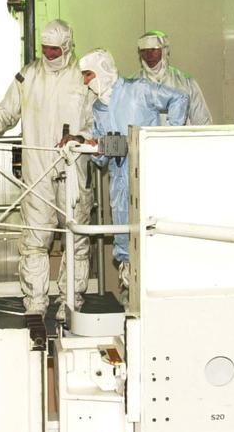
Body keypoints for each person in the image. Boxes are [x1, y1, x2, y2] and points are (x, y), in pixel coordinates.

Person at [0, 20, 94, 314]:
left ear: (67, 47)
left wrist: (81, 137)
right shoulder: (28, 75)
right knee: (34, 240)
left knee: (75, 239)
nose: (49, 55)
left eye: (55, 50)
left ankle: (71, 302)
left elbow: (99, 120)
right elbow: (6, 111)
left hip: (73, 167)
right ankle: (36, 303)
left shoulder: (84, 77)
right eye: (45, 49)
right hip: (36, 170)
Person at [78, 49, 189, 297]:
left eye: (88, 74)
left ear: (103, 70)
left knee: (153, 242)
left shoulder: (137, 89)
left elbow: (180, 98)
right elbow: (105, 153)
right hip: (120, 187)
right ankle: (132, 306)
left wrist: (163, 140)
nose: (86, 81)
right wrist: (97, 150)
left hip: (149, 180)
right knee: (126, 246)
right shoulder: (98, 107)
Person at [133, 30, 212, 125]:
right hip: (144, 139)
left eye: (154, 50)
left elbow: (202, 122)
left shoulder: (185, 83)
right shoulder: (131, 85)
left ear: (164, 51)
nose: (149, 55)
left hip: (179, 139)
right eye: (144, 51)